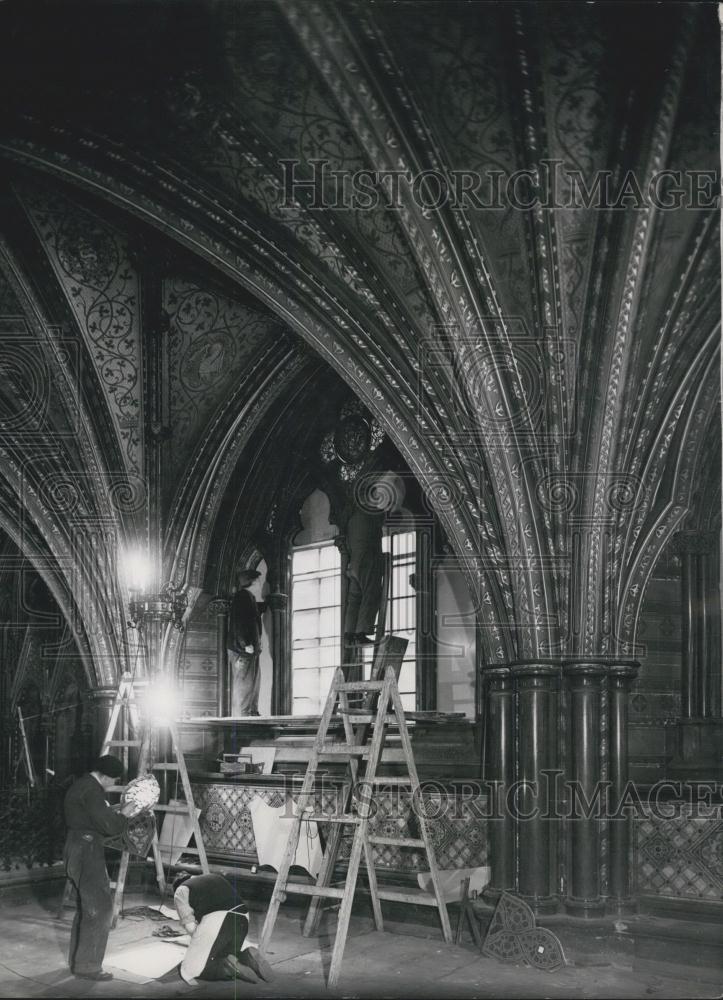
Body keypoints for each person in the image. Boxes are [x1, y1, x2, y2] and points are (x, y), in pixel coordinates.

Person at [63, 754, 141, 981]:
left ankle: (78, 962)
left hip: (74, 846)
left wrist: (114, 810)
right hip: (86, 850)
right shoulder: (93, 790)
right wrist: (124, 815)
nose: (113, 785)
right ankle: (88, 967)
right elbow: (109, 826)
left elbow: (94, 815)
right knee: (101, 908)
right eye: (114, 780)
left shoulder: (81, 785)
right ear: (104, 776)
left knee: (87, 908)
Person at [172, 872, 273, 984]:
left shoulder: (180, 891)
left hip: (218, 919)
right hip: (243, 918)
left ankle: (226, 969)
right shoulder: (214, 876)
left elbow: (191, 927)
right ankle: (244, 956)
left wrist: (196, 943)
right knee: (221, 948)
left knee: (188, 968)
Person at [228, 568, 265, 716]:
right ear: (253, 581)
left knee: (254, 682)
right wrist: (245, 644)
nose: (260, 583)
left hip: (250, 649)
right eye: (258, 580)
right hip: (242, 650)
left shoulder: (248, 597)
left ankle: (251, 712)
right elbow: (239, 621)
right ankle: (244, 714)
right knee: (244, 682)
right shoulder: (242, 596)